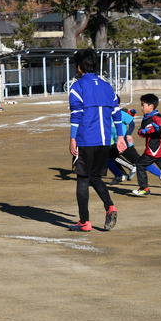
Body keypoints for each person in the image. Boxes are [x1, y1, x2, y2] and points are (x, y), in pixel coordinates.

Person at [68, 49, 126, 232]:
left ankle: (84, 222)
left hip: (86, 139)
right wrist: (121, 136)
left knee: (82, 180)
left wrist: (72, 139)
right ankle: (110, 206)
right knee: (94, 176)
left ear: (79, 67)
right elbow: (116, 112)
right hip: (104, 140)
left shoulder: (77, 87)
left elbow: (76, 115)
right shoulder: (106, 86)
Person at [108, 104, 161, 186]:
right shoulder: (105, 115)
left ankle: (160, 174)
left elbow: (131, 124)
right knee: (108, 157)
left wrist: (128, 134)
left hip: (126, 144)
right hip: (114, 143)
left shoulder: (120, 113)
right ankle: (120, 175)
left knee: (139, 161)